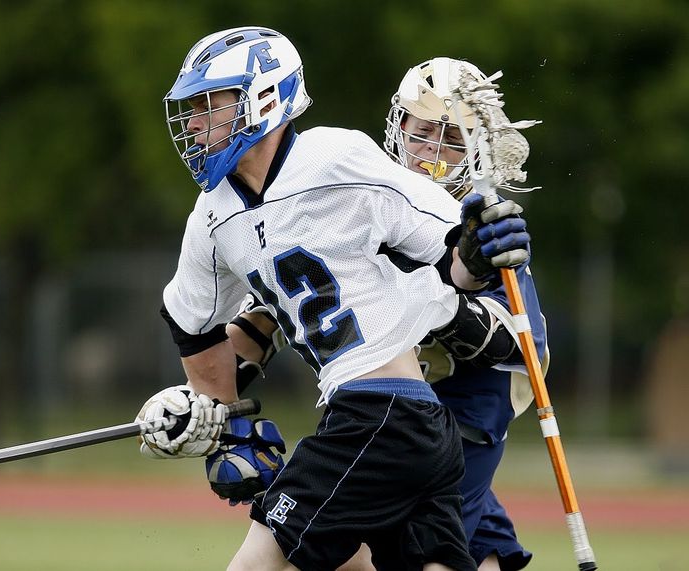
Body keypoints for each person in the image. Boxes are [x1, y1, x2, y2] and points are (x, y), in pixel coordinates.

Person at [136, 27, 531, 571]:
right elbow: (199, 327)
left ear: (265, 98)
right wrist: (217, 422)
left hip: (390, 415)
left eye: (213, 104)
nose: (198, 124)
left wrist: (481, 251)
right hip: (407, 426)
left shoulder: (338, 158)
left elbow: (453, 261)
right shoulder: (211, 217)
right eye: (194, 107)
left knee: (254, 566)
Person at [227, 57, 547, 571]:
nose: (432, 158)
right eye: (423, 135)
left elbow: (518, 344)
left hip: (464, 412)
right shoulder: (359, 193)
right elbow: (267, 313)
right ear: (397, 127)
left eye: (452, 142)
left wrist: (422, 287)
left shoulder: (481, 229)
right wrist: (207, 401)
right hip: (378, 402)